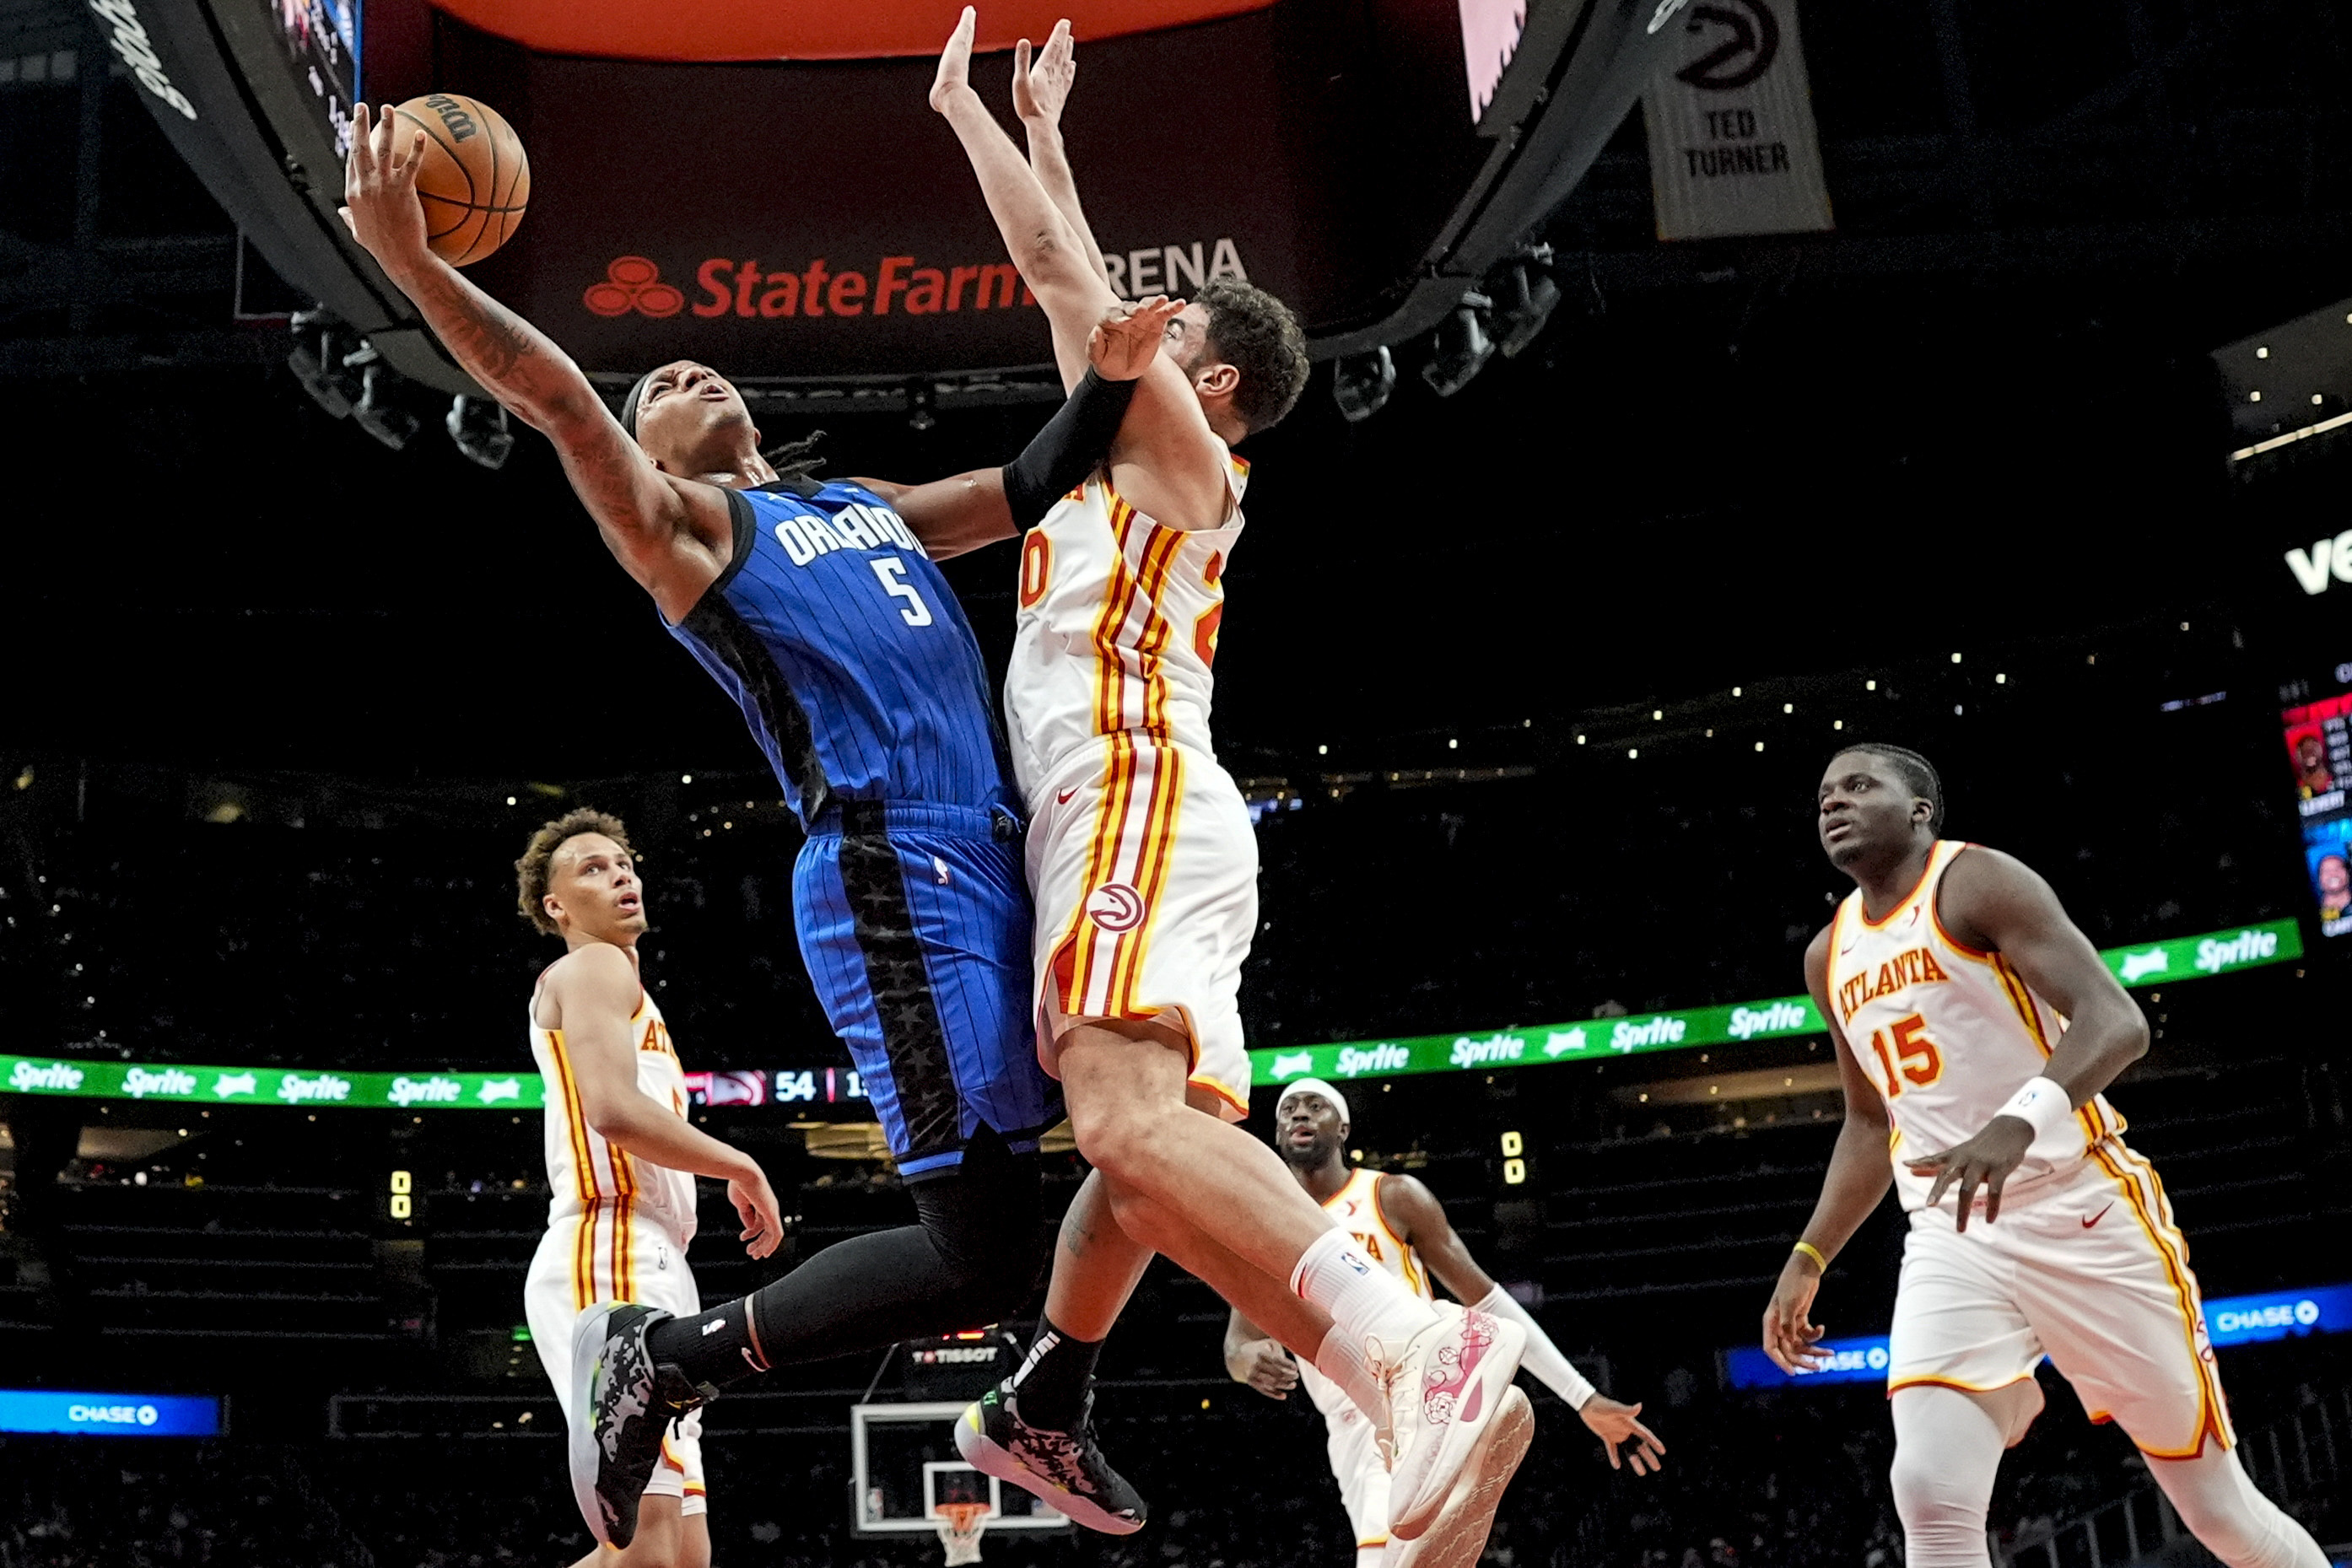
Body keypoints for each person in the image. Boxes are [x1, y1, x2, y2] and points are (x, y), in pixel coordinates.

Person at [338, 100, 1184, 1549]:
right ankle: (669, 1359)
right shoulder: (686, 534)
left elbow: (1031, 483)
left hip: (989, 859)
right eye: (653, 379)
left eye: (691, 363)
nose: (680, 366)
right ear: (652, 449)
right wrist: (415, 267)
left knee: (1082, 1168)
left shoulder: (864, 505)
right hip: (887, 868)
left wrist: (1107, 378)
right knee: (981, 1244)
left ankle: (995, 1386)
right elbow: (551, 392)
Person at [925, 14, 1530, 1553]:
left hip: (1131, 788)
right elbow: (1071, 302)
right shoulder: (1119, 450)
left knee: (1124, 1127)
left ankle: (1406, 1343)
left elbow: (1067, 285)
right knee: (1144, 1177)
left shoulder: (1187, 460)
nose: (1130, 327)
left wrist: (976, 119)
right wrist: (1034, 135)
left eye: (1161, 326)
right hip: (1135, 812)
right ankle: (1049, 1396)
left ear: (1212, 378)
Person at [1761, 744, 2329, 1568]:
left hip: (2083, 1207)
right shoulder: (1828, 953)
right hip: (1954, 1230)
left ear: (1921, 809)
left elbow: (2116, 1020)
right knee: (1928, 1486)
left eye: (1858, 785)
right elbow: (1865, 1120)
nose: (1832, 802)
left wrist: (2015, 1119)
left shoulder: (1977, 880)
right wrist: (1809, 1252)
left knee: (2218, 1510)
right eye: (1822, 793)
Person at [1226, 1080, 1665, 1568]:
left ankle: (1459, 1415)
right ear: (1277, 1130)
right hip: (1347, 1420)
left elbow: (1488, 1300)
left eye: (1315, 1106)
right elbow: (1238, 1343)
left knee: (1381, 1557)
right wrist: (1250, 1363)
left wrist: (1582, 1396)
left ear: (1344, 1127)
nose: (1300, 1115)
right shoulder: (1263, 1220)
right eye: (1289, 1109)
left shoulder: (1391, 1195)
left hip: (1414, 1392)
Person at [516, 809, 783, 1568]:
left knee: (680, 1551)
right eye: (594, 868)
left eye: (625, 861)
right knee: (652, 1549)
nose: (622, 874)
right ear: (556, 906)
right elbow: (611, 1109)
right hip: (610, 1246)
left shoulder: (624, 984)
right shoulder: (593, 967)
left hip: (651, 1256)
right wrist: (740, 1163)